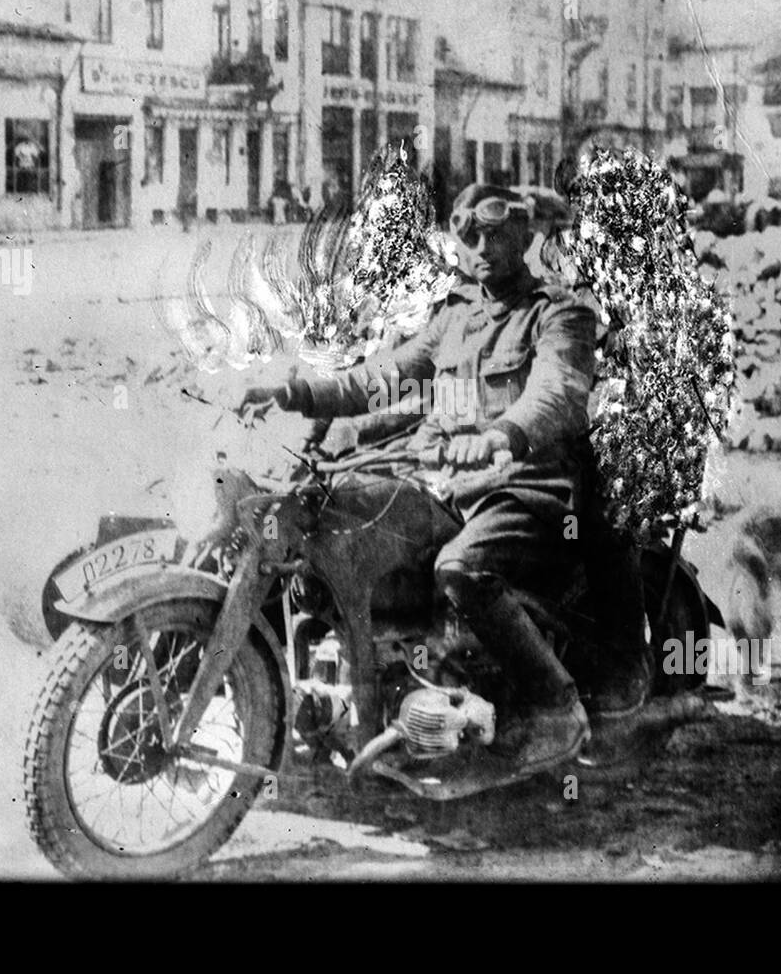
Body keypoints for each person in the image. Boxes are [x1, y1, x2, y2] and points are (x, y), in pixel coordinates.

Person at [231, 183, 599, 770]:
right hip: (442, 480)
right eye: (467, 235)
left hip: (522, 483)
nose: (479, 246)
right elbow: (380, 379)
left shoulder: (559, 314)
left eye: (495, 233)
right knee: (329, 519)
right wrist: (294, 392)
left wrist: (500, 435)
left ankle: (557, 707)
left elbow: (557, 393)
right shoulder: (453, 317)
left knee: (462, 569)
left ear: (525, 235)